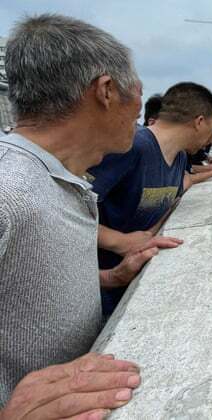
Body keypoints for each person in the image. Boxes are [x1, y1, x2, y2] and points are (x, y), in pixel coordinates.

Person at [1, 14, 150, 416]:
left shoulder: (57, 182)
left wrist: (109, 277)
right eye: (136, 96)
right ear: (105, 90)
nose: (139, 113)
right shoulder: (9, 192)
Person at [88, 82, 212, 315]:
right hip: (96, 291)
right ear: (199, 122)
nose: (210, 139)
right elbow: (63, 210)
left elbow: (183, 184)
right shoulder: (132, 147)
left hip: (130, 283)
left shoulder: (180, 157)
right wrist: (120, 241)